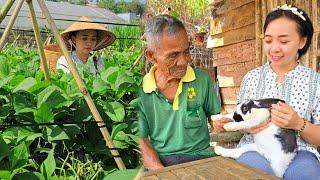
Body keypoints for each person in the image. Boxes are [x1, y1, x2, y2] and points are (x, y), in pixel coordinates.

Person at [212, 4, 320, 179]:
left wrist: (298, 123)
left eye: (284, 41)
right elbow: (240, 119)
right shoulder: (252, 78)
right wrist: (226, 122)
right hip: (255, 149)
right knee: (254, 174)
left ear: (302, 41)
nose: (274, 48)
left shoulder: (316, 82)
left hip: (300, 152)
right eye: (268, 40)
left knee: (307, 174)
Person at [136, 14, 221, 170]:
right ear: (151, 56)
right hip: (162, 163)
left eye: (186, 52)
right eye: (173, 55)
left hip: (202, 160)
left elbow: (216, 119)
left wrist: (226, 122)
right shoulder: (141, 92)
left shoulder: (202, 80)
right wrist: (163, 173)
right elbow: (141, 141)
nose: (183, 61)